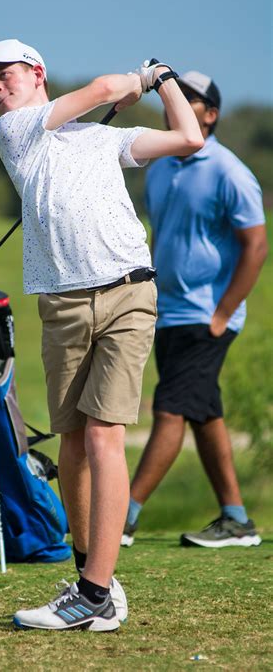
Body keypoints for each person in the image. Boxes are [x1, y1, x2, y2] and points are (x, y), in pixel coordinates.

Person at [0, 39, 203, 632]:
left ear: (35, 73)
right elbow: (100, 91)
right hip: (62, 304)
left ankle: (95, 593)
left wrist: (165, 78)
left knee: (103, 436)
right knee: (72, 441)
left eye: (4, 75)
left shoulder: (103, 140)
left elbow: (189, 138)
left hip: (128, 292)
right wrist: (135, 78)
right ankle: (89, 575)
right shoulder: (15, 132)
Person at [123, 71, 268, 549]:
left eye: (191, 99)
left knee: (170, 410)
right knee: (203, 412)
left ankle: (123, 516)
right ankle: (236, 518)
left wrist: (224, 312)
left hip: (206, 316)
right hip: (168, 310)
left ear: (211, 114)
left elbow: (256, 246)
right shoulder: (161, 164)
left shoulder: (229, 171)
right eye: (174, 97)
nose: (178, 103)